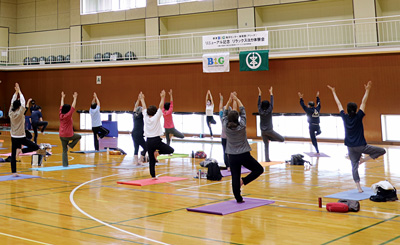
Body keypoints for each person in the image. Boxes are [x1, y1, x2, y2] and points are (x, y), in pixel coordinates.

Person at [328, 81, 386, 193]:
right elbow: (364, 102)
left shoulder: (344, 117)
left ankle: (358, 187)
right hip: (361, 146)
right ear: (355, 109)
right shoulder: (359, 116)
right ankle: (364, 159)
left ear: (348, 110)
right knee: (382, 150)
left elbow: (338, 104)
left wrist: (333, 92)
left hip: (350, 147)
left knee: (354, 167)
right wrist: (367, 90)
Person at [223, 92, 264, 203]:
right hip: (244, 155)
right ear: (238, 119)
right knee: (259, 169)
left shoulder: (225, 126)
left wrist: (229, 100)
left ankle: (238, 198)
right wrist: (236, 98)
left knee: (235, 176)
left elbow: (224, 113)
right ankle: (244, 181)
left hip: (232, 156)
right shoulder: (242, 126)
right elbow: (243, 110)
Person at [140, 91, 174, 179]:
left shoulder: (146, 117)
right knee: (170, 150)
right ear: (155, 113)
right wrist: (162, 97)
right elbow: (160, 106)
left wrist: (142, 99)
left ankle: (153, 176)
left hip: (148, 141)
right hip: (156, 141)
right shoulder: (156, 117)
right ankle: (157, 153)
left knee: (151, 160)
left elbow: (144, 107)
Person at [9, 83, 40, 177]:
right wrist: (19, 91)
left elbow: (12, 102)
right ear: (19, 107)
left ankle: (14, 172)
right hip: (21, 136)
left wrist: (16, 93)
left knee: (13, 154)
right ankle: (22, 151)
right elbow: (23, 101)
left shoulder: (10, 112)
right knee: (35, 147)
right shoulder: (21, 112)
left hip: (13, 136)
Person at [258, 87, 284, 162]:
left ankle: (267, 160)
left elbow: (258, 104)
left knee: (266, 146)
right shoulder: (269, 111)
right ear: (268, 106)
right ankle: (271, 138)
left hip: (263, 132)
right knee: (282, 139)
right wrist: (271, 93)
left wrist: (259, 94)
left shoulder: (260, 111)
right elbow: (272, 103)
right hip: (269, 131)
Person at [59, 91, 81, 167]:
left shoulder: (60, 114)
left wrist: (62, 97)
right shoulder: (68, 115)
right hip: (69, 135)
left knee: (64, 151)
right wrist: (75, 98)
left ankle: (65, 165)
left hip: (61, 135)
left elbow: (61, 106)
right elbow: (73, 107)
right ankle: (71, 145)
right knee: (79, 136)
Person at [131, 93, 147, 165]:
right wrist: (141, 99)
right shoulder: (141, 115)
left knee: (136, 147)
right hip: (139, 134)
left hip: (134, 133)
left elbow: (135, 107)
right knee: (146, 147)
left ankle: (136, 161)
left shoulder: (134, 115)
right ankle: (141, 160)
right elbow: (144, 108)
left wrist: (138, 99)